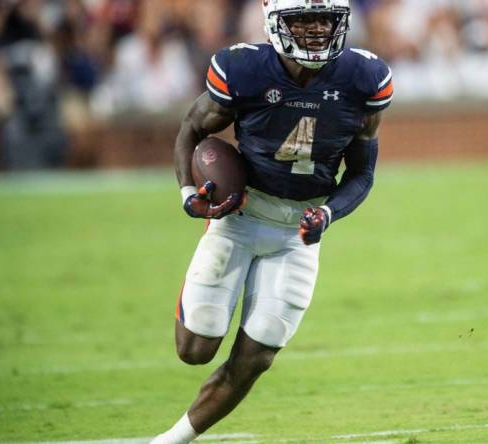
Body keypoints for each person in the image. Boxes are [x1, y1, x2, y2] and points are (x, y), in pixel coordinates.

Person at [151, 0, 393, 442]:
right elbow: (191, 127)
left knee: (257, 355)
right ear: (275, 23)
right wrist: (189, 194)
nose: (317, 29)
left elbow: (362, 172)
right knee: (195, 349)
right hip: (240, 216)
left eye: (326, 19)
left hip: (298, 232)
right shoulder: (244, 71)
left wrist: (328, 212)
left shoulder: (364, 79)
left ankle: (172, 440)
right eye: (303, 19)